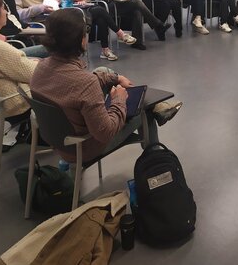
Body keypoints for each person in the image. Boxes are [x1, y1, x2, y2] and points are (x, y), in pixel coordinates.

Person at [30, 9, 182, 163]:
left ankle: (158, 108)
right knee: (145, 110)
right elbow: (105, 133)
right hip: (85, 147)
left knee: (103, 71)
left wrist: (116, 78)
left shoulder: (41, 67)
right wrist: (118, 100)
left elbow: (77, 86)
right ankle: (156, 161)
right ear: (81, 40)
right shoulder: (85, 82)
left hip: (62, 142)